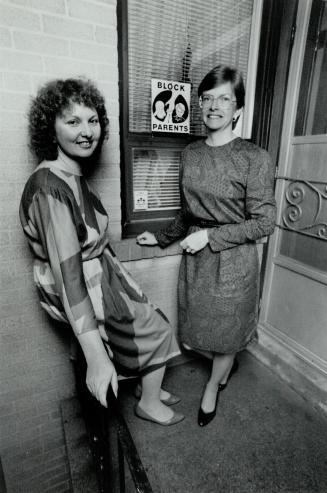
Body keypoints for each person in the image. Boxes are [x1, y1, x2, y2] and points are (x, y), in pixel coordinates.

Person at [19, 78, 184, 426]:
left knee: (156, 322)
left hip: (101, 274)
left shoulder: (70, 173)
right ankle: (148, 402)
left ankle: (145, 389)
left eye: (92, 120)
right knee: (154, 331)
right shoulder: (49, 188)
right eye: (72, 121)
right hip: (81, 285)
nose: (86, 131)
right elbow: (68, 274)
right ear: (51, 127)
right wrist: (95, 355)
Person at [137, 65, 276, 427]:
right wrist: (164, 236)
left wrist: (211, 237)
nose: (215, 105)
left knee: (227, 336)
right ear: (199, 104)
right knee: (192, 335)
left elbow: (264, 222)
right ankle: (223, 366)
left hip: (233, 262)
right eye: (208, 98)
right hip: (197, 260)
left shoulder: (254, 158)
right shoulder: (191, 153)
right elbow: (188, 211)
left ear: (238, 108)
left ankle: (214, 384)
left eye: (225, 98)